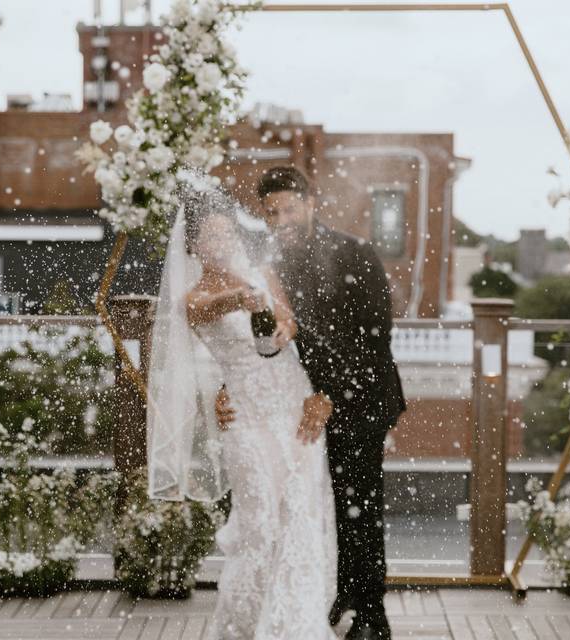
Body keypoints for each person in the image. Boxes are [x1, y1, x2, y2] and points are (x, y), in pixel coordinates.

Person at [218, 166, 405, 640]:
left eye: (290, 207)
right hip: (301, 404)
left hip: (362, 401)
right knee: (320, 503)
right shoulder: (271, 263)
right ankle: (338, 593)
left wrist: (332, 397)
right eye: (272, 211)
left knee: (358, 506)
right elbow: (267, 342)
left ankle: (371, 614)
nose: (282, 218)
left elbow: (375, 338)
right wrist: (232, 387)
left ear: (311, 203)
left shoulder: (354, 252)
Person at [147, 176, 338, 639]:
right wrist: (239, 298)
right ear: (193, 246)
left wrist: (284, 328)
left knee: (299, 512)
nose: (221, 241)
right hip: (246, 416)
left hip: (292, 404)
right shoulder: (191, 297)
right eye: (210, 236)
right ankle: (244, 627)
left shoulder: (263, 273)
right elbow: (204, 311)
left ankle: (295, 624)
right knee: (260, 525)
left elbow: (288, 322)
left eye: (226, 232)